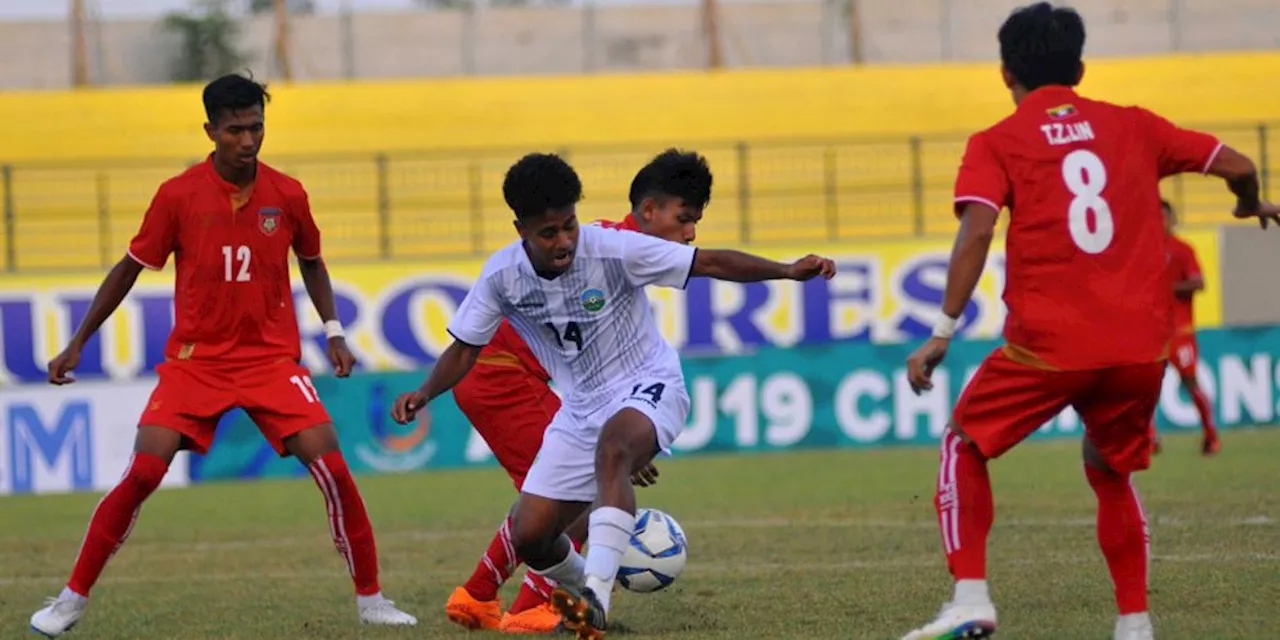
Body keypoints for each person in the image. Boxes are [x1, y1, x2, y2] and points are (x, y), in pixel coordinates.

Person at [899, 4, 1279, 640]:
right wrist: (1248, 204)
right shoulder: (1135, 126)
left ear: (1004, 73)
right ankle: (1134, 623)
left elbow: (978, 229)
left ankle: (970, 598)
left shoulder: (997, 141)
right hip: (1138, 349)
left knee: (964, 444)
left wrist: (941, 330)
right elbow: (1239, 164)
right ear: (1080, 67)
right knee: (1110, 471)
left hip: (1046, 348)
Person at [29, 74, 418, 638]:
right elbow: (130, 268)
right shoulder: (177, 194)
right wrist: (78, 341)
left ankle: (372, 600)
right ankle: (69, 600)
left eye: (256, 126)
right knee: (142, 472)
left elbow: (311, 259)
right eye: (235, 129)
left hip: (270, 361)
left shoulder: (287, 194)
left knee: (333, 468)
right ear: (210, 130)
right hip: (196, 362)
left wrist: (333, 329)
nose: (248, 139)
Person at [391, 152, 835, 640]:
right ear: (521, 230)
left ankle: (594, 595)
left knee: (614, 450)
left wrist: (789, 271)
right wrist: (425, 391)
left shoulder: (611, 247)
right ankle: (582, 589)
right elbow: (464, 349)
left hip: (648, 381)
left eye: (569, 226)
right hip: (579, 406)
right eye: (549, 233)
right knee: (531, 534)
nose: (564, 242)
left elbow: (708, 261)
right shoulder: (501, 276)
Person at [443, 149, 713, 634]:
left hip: (506, 376)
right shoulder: (605, 247)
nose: (689, 233)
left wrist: (625, 422)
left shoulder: (596, 243)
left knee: (571, 496)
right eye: (684, 219)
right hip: (499, 375)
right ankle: (529, 605)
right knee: (575, 498)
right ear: (649, 211)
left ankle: (480, 594)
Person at [1160, 199, 1221, 455]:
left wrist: (1167, 289)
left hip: (1180, 333)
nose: (1159, 222)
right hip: (1151, 332)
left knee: (1190, 381)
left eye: (1163, 216)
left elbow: (1198, 283)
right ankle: (1148, 440)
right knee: (1142, 387)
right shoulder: (1142, 252)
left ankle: (1210, 434)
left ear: (1172, 219)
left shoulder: (1182, 249)